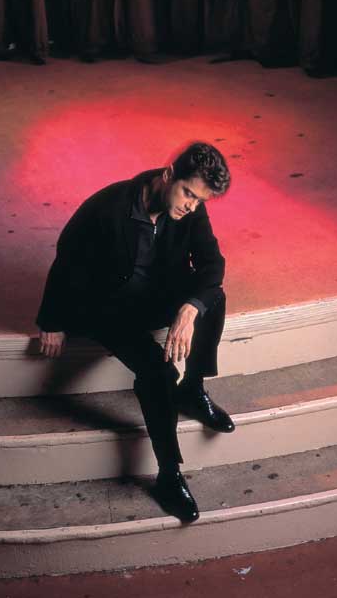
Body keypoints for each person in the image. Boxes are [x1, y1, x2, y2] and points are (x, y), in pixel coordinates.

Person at [36, 141, 235, 522]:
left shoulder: (192, 210)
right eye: (188, 194)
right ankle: (169, 474)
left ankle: (193, 391)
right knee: (158, 372)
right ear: (168, 176)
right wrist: (52, 321)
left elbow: (212, 264)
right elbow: (66, 260)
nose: (191, 206)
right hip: (109, 310)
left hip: (155, 296)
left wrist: (190, 308)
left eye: (199, 200)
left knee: (212, 298)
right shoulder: (108, 208)